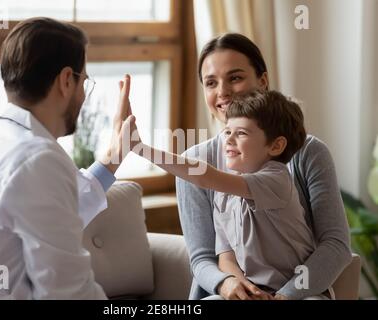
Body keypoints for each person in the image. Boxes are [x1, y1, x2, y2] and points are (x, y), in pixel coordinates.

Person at [0, 17, 135, 299]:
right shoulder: (39, 159)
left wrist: (116, 153)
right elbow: (69, 293)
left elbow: (53, 209)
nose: (84, 93)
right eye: (83, 80)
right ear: (65, 80)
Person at [175, 33, 352, 300]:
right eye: (211, 83)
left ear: (263, 81)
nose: (222, 91)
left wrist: (286, 294)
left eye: (235, 78)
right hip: (228, 293)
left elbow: (336, 244)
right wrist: (228, 285)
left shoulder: (310, 153)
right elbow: (202, 257)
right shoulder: (194, 162)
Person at [132, 89, 331, 299]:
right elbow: (226, 257)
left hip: (300, 292)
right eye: (227, 131)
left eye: (242, 133)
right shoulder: (224, 193)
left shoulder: (276, 179)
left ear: (276, 145)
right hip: (256, 291)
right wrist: (244, 289)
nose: (228, 139)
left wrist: (141, 149)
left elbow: (204, 176)